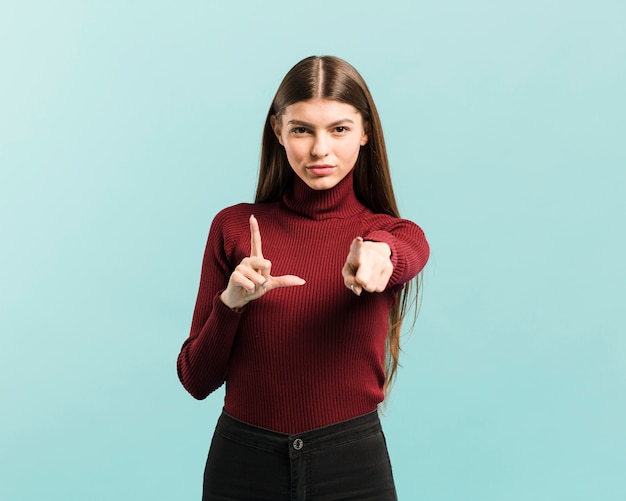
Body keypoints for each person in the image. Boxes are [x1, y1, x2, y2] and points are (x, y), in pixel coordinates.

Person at [177, 55, 429, 500]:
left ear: (365, 132)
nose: (319, 150)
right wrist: (231, 304)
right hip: (242, 464)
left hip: (351, 465)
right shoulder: (234, 228)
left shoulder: (390, 233)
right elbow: (196, 380)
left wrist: (379, 256)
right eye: (301, 129)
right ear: (278, 131)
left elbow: (405, 251)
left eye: (339, 129)